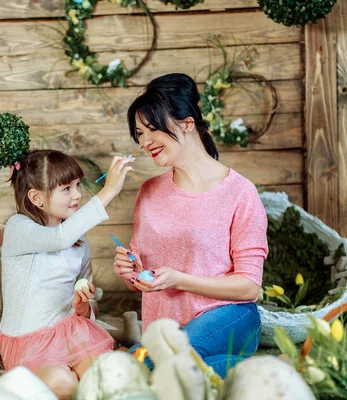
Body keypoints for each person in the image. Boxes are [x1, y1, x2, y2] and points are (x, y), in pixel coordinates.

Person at [113, 73, 268, 378]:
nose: (144, 143)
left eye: (151, 130)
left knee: (149, 366)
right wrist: (130, 272)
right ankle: (235, 373)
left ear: (187, 123)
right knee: (128, 370)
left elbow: (249, 286)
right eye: (139, 134)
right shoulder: (149, 193)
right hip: (166, 327)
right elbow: (142, 275)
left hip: (229, 316)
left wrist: (178, 279)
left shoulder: (240, 193)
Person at [0, 149, 135, 395]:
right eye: (66, 189)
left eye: (78, 185)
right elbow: (58, 238)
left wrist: (84, 306)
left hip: (71, 333)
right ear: (36, 198)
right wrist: (109, 190)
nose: (78, 195)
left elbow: (89, 308)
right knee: (64, 384)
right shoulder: (18, 228)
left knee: (106, 381)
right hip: (29, 342)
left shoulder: (79, 242)